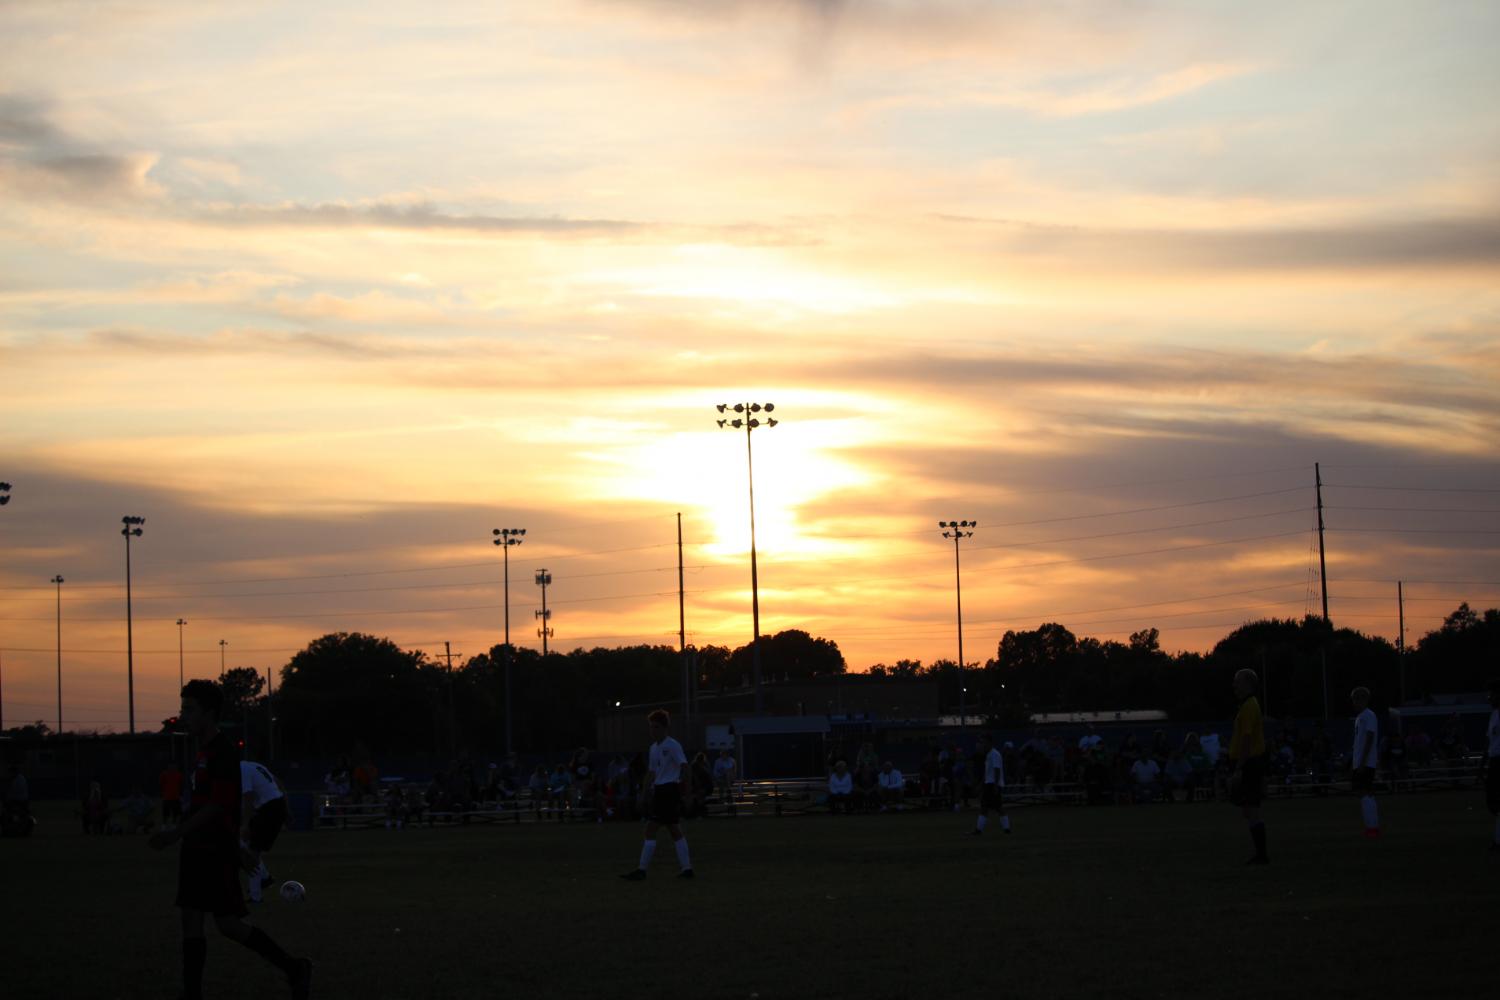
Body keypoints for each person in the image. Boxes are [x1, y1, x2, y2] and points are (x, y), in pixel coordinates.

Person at [148, 680, 311, 1000]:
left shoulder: (222, 753)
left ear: (209, 713)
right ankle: (193, 993)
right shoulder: (204, 752)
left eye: (189, 710)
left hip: (212, 851)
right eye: (183, 709)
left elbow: (218, 807)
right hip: (198, 848)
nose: (184, 716)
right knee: (192, 920)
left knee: (228, 925)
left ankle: (295, 968)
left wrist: (176, 834)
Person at [621, 709, 694, 880]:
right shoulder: (653, 748)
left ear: (664, 728)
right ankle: (687, 869)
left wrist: (688, 793)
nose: (652, 731)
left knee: (651, 829)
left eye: (655, 727)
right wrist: (643, 794)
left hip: (669, 790)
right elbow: (651, 773)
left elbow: (685, 767)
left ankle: (642, 870)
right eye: (651, 727)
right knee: (674, 829)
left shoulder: (673, 745)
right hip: (660, 791)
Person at [1229, 668, 1269, 865]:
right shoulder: (1248, 705)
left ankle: (1261, 855)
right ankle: (1260, 853)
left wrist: (1239, 767)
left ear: (1248, 684)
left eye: (1238, 681)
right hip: (1250, 762)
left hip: (1250, 763)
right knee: (1248, 808)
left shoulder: (1249, 706)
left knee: (1251, 808)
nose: (1234, 685)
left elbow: (1246, 739)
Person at [240, 759, 286, 903]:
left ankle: (256, 896)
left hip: (269, 809)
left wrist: (245, 825)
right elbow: (279, 782)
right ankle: (265, 878)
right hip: (272, 806)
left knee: (252, 851)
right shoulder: (254, 765)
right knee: (246, 846)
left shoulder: (241, 770)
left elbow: (248, 798)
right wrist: (287, 806)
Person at [1350, 687, 1380, 839]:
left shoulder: (1369, 715)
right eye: (1355, 699)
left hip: (1365, 762)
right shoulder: (1360, 717)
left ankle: (1372, 827)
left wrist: (1362, 761)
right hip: (1361, 761)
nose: (1355, 702)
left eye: (1358, 698)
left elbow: (1369, 738)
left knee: (1364, 793)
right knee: (1364, 793)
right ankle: (1372, 826)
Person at [970, 733, 1010, 835]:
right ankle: (1006, 829)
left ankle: (979, 830)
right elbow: (988, 772)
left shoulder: (994, 754)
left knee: (993, 807)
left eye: (983, 742)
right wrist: (982, 784)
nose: (982, 745)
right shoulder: (989, 754)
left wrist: (995, 786)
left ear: (989, 742)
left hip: (992, 784)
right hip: (990, 784)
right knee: (992, 807)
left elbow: (997, 770)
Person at [1485, 681, 1500, 852]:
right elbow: (1490, 741)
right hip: (1495, 760)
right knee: (1493, 802)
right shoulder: (1494, 714)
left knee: (1496, 801)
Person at [159, 761, 184, 829]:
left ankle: (174, 824)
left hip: (176, 797)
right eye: (170, 765)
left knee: (175, 812)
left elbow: (181, 785)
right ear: (168, 766)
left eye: (173, 765)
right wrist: (162, 794)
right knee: (165, 812)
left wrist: (180, 795)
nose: (172, 767)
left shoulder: (179, 775)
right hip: (167, 797)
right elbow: (161, 785)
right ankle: (164, 825)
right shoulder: (164, 774)